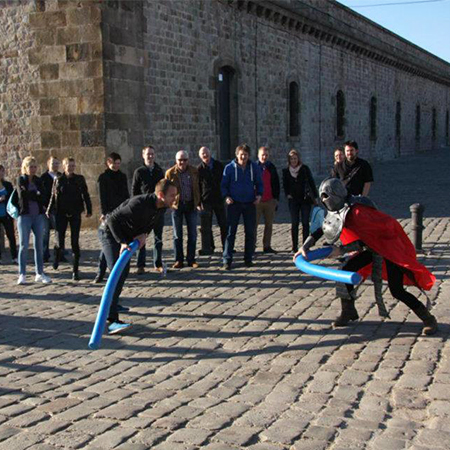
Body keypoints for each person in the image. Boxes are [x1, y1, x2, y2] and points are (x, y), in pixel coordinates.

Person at [296, 178, 437, 335]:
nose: (323, 200)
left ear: (336, 195)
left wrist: (341, 250)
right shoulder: (338, 209)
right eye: (322, 196)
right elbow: (323, 228)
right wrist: (305, 246)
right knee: (344, 271)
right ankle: (348, 311)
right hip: (371, 248)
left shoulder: (358, 212)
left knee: (396, 290)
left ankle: (428, 319)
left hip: (388, 249)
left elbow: (367, 241)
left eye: (325, 196)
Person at [102, 179, 177, 334]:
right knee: (118, 272)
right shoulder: (139, 203)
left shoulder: (161, 207)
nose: (174, 198)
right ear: (161, 195)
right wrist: (122, 242)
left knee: (124, 271)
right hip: (110, 233)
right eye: (172, 195)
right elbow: (111, 220)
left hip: (127, 234)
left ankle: (113, 303)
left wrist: (144, 234)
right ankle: (111, 319)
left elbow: (149, 224)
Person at [48, 157, 92, 280]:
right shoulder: (58, 179)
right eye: (68, 165)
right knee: (59, 241)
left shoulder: (79, 179)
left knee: (75, 242)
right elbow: (53, 196)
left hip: (75, 213)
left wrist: (89, 209)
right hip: (61, 213)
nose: (71, 167)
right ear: (64, 166)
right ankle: (57, 256)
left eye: (73, 165)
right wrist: (49, 210)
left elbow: (85, 195)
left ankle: (75, 270)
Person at [221, 144, 263, 270]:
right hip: (234, 204)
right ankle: (227, 260)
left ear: (249, 155)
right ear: (237, 154)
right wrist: (226, 196)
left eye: (245, 154)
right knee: (230, 232)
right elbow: (224, 185)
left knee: (250, 232)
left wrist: (259, 195)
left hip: (250, 203)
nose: (243, 156)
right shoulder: (229, 168)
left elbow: (259, 182)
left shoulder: (254, 167)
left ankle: (248, 258)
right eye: (241, 154)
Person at [93, 152, 130, 283]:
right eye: (114, 163)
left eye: (118, 163)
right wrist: (104, 213)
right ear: (108, 163)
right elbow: (102, 197)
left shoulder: (122, 176)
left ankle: (100, 272)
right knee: (107, 240)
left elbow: (126, 194)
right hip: (109, 213)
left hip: (120, 212)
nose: (116, 166)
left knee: (108, 242)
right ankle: (100, 272)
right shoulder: (103, 177)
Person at [16, 156, 51, 285]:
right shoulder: (21, 180)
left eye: (35, 166)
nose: (33, 169)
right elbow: (22, 195)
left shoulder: (38, 180)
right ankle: (22, 273)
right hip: (25, 215)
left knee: (39, 245)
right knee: (24, 245)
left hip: (38, 216)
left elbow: (43, 196)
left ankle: (39, 272)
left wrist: (36, 195)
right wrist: (35, 194)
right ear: (25, 168)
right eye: (31, 167)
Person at [131, 145, 165, 274]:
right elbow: (134, 191)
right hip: (143, 210)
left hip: (157, 209)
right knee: (141, 238)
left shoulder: (159, 170)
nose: (150, 156)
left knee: (158, 238)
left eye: (152, 154)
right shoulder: (139, 172)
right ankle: (141, 265)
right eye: (148, 154)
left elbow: (163, 188)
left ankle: (158, 263)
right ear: (143, 155)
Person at [165, 150, 201, 269]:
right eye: (180, 160)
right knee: (177, 235)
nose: (182, 162)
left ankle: (191, 259)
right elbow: (165, 190)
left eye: (185, 160)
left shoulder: (194, 171)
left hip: (191, 205)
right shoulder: (170, 173)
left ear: (188, 160)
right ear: (176, 161)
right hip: (177, 206)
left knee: (192, 234)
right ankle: (178, 260)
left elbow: (198, 187)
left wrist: (198, 201)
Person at [282, 149, 318, 253]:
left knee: (306, 223)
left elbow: (311, 182)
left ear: (298, 159)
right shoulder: (286, 170)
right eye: (292, 159)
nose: (294, 160)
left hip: (305, 199)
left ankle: (305, 245)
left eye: (295, 158)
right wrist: (287, 194)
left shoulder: (304, 168)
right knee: (294, 223)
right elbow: (284, 184)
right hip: (293, 200)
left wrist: (315, 197)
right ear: (289, 160)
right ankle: (294, 246)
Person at [197, 146, 227, 255]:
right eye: (202, 154)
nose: (205, 155)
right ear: (200, 156)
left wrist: (225, 195)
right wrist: (198, 202)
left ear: (210, 153)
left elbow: (225, 181)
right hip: (206, 200)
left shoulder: (219, 165)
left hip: (219, 199)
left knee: (223, 224)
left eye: (206, 153)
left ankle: (226, 246)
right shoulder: (199, 169)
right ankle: (209, 247)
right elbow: (197, 187)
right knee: (206, 226)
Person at [255, 146, 280, 253]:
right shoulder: (254, 167)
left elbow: (276, 183)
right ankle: (252, 246)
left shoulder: (271, 167)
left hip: (269, 200)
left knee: (269, 225)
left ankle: (267, 246)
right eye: (262, 155)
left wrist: (276, 199)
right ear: (258, 155)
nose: (264, 157)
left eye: (266, 155)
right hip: (257, 201)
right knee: (254, 225)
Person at [40, 156, 61, 263]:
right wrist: (43, 206)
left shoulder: (61, 176)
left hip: (58, 209)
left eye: (57, 163)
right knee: (45, 232)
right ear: (48, 164)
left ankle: (59, 253)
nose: (55, 165)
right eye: (53, 163)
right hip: (45, 208)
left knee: (59, 232)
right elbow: (41, 193)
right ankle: (45, 254)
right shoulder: (43, 178)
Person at [0, 164, 17, 264]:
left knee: (11, 235)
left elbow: (12, 199)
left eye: (2, 171)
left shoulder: (8, 185)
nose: (1, 173)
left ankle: (14, 256)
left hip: (6, 214)